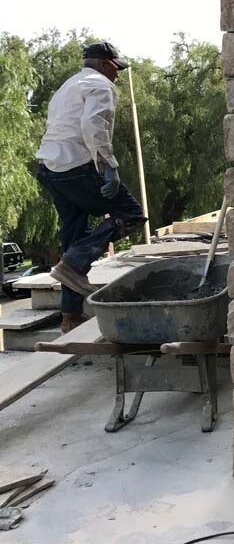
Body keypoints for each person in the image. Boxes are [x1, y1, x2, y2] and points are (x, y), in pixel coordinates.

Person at [36, 42, 146, 332]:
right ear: (104, 64)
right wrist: (109, 165)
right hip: (76, 167)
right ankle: (72, 266)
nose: (118, 75)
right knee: (131, 213)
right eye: (116, 68)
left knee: (74, 234)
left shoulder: (67, 86)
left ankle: (70, 316)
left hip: (50, 168)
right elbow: (93, 125)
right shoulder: (101, 85)